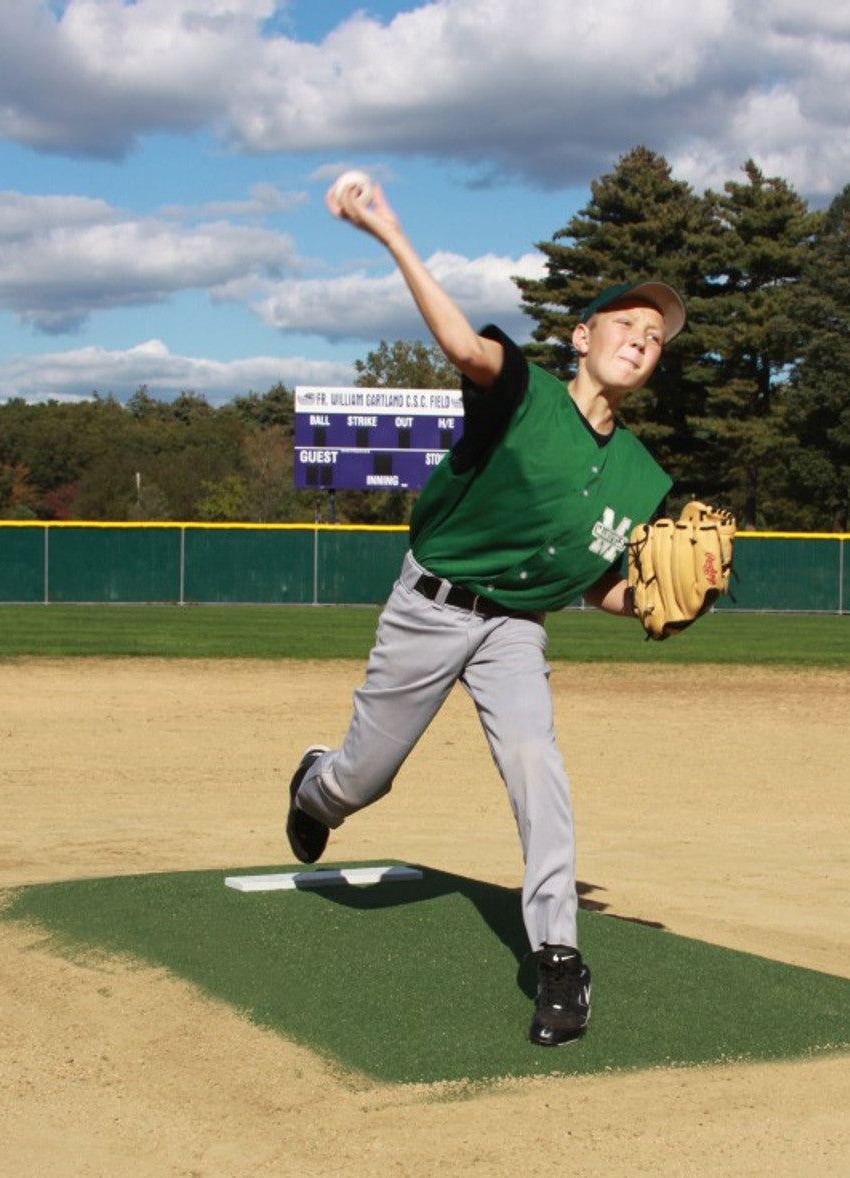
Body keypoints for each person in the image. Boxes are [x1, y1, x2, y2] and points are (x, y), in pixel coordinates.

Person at [286, 174, 685, 1046]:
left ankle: (560, 961)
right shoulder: (525, 396)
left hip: (515, 626)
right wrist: (391, 234)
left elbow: (599, 584)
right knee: (364, 779)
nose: (642, 341)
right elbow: (465, 346)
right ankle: (315, 791)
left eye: (656, 338)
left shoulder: (643, 480)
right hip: (430, 606)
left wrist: (661, 608)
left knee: (538, 763)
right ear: (583, 338)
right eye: (627, 325)